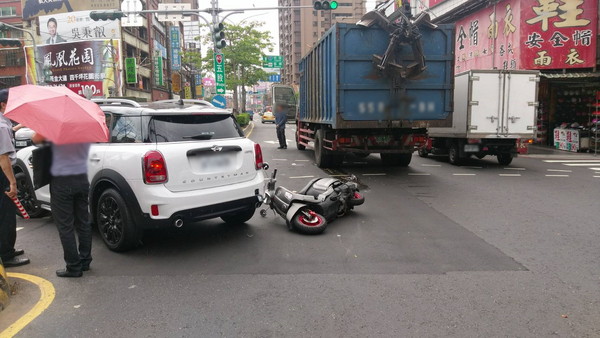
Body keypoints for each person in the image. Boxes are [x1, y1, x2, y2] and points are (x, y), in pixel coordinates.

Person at [31, 133, 91, 278]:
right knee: (83, 222)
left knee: (65, 226)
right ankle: (85, 261)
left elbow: (35, 139)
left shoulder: (55, 127)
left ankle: (73, 267)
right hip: (82, 179)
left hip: (62, 182)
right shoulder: (81, 126)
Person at [0, 89, 30, 268]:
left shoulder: (4, 123)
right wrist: (12, 183)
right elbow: (3, 158)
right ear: (3, 104)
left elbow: (8, 130)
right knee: (6, 216)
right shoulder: (2, 126)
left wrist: (19, 126)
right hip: (2, 174)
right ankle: (6, 255)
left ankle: (6, 249)